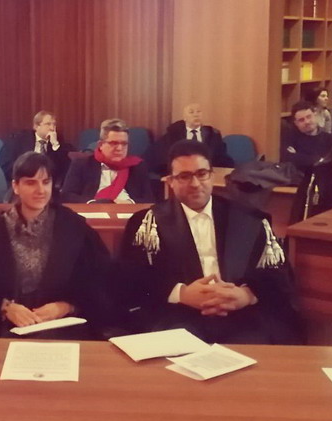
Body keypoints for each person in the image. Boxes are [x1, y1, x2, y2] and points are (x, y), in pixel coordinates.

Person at [118, 141, 300, 343]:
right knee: (174, 350)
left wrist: (247, 295)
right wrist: (181, 293)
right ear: (170, 181)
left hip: (240, 314)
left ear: (212, 176)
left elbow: (278, 276)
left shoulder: (249, 219)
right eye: (184, 176)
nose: (195, 184)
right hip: (178, 314)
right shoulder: (146, 223)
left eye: (202, 173)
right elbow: (131, 280)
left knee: (253, 350)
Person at [0, 152, 111, 338]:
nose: (41, 190)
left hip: (63, 328)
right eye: (31, 183)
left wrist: (67, 306)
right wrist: (4, 307)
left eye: (46, 182)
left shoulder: (73, 226)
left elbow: (99, 278)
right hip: (6, 329)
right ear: (16, 186)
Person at [61, 118, 154, 203]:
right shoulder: (81, 164)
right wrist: (92, 203)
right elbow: (67, 196)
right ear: (100, 145)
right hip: (92, 211)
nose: (119, 148)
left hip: (129, 212)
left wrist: (130, 203)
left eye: (124, 144)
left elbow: (149, 200)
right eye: (114, 143)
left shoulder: (137, 166)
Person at [147, 102, 233, 175]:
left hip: (205, 174)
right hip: (181, 174)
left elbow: (220, 158)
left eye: (198, 111)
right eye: (191, 112)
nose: (196, 115)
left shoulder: (213, 135)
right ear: (184, 118)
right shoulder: (173, 134)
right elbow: (163, 157)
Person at [0, 111, 74, 184]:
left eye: (54, 124)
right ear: (36, 126)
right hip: (22, 180)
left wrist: (55, 145)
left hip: (45, 183)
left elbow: (65, 168)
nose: (52, 128)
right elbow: (6, 165)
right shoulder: (20, 139)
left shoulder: (57, 141)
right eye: (48, 124)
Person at [280, 101, 332, 176]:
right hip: (297, 179)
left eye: (309, 117)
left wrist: (298, 155)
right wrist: (319, 159)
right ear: (296, 123)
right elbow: (288, 159)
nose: (307, 122)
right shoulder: (289, 138)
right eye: (301, 120)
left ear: (315, 115)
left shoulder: (331, 139)